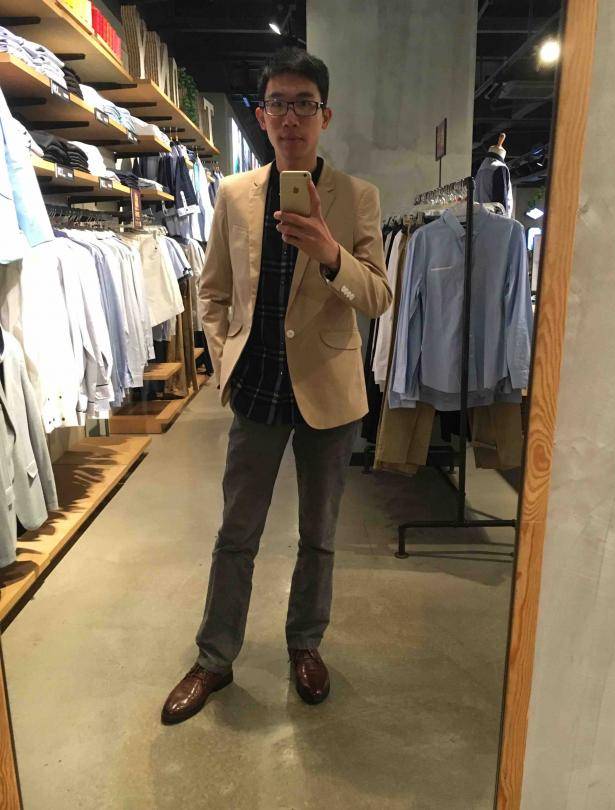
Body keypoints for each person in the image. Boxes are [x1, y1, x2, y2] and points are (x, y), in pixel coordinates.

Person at [161, 47, 391, 725]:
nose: (291, 117)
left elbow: (379, 296)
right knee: (237, 532)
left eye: (304, 105)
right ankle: (214, 658)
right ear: (262, 116)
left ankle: (305, 645)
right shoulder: (234, 194)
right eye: (278, 104)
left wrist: (328, 250)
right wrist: (224, 357)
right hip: (257, 387)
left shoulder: (358, 197)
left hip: (329, 393)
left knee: (319, 534)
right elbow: (212, 292)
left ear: (325, 116)